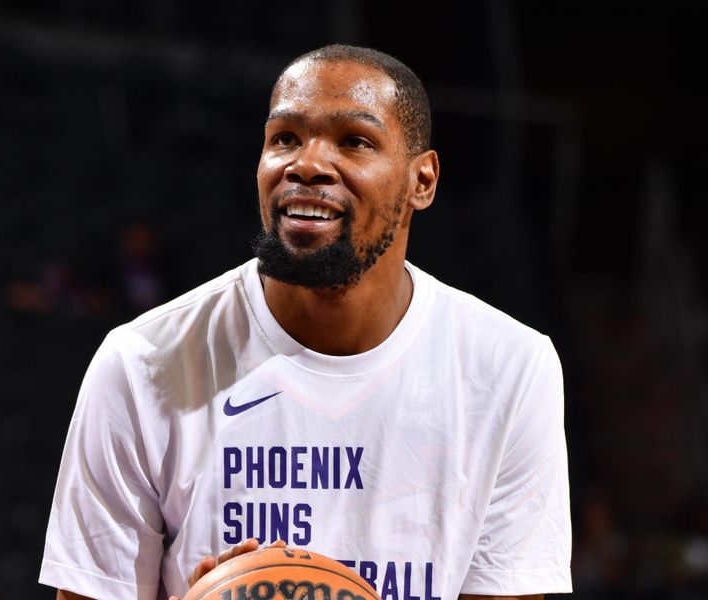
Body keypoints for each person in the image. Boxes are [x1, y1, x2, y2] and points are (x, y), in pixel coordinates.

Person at [39, 44, 572, 600]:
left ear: (422, 181)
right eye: (285, 138)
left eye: (354, 141)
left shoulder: (509, 368)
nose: (308, 163)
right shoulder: (143, 363)